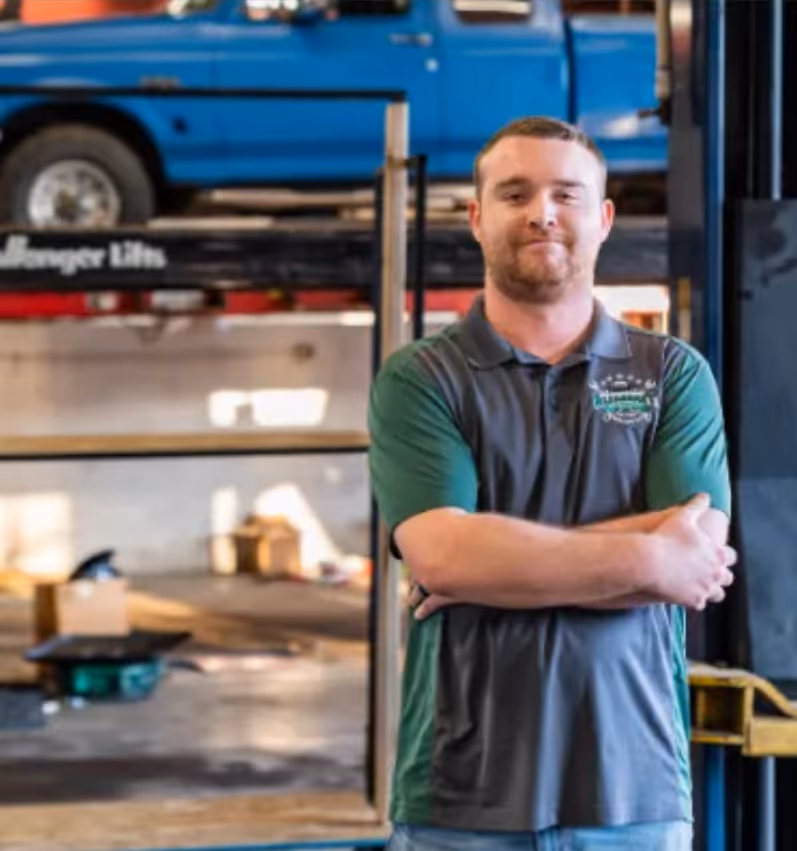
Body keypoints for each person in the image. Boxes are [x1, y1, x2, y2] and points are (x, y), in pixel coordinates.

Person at [367, 116, 735, 851]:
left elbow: (694, 557)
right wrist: (643, 554)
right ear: (476, 218)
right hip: (458, 795)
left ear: (601, 219)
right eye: (514, 193)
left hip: (632, 793)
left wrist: (488, 559)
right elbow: (442, 556)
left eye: (566, 194)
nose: (541, 212)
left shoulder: (669, 373)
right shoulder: (421, 378)